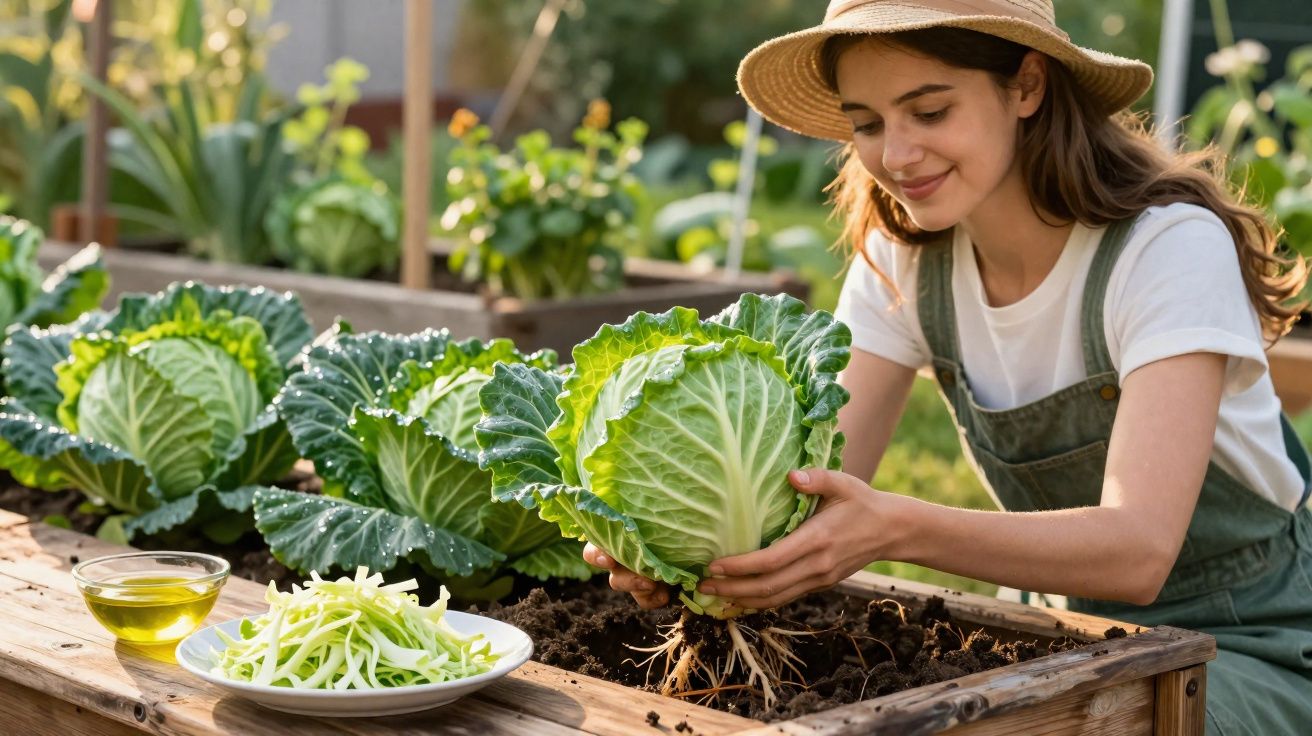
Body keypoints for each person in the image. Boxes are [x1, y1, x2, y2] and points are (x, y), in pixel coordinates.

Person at [582, 1, 1312, 733]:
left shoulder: (1167, 249)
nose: (897, 156)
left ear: (1027, 86)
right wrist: (684, 545)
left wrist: (896, 528)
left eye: (929, 112)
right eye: (868, 123)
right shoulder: (906, 262)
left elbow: (1139, 551)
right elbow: (808, 487)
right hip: (1070, 636)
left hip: (1249, 640)